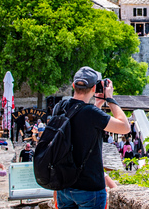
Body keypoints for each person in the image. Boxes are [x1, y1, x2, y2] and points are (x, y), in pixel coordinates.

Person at [54, 66, 130, 209]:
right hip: (89, 187)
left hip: (64, 185)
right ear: (94, 88)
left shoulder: (60, 106)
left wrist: (97, 105)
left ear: (73, 85)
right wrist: (110, 99)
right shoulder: (91, 113)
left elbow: (79, 123)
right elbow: (125, 127)